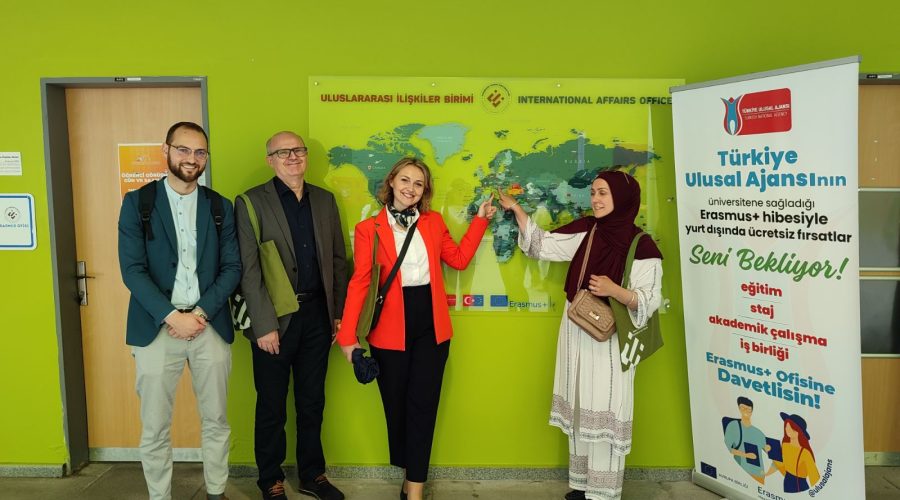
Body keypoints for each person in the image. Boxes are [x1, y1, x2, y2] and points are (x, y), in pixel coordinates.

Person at [336, 157, 497, 500]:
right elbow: (360, 283)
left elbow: (458, 260)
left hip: (430, 327)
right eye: (405, 180)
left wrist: (480, 221)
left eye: (419, 184)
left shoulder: (433, 222)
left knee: (423, 407)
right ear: (392, 182)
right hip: (388, 329)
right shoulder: (369, 229)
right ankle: (409, 473)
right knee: (396, 409)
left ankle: (415, 489)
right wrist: (348, 338)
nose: (411, 188)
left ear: (425, 191)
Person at [497, 170, 663, 500]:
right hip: (576, 327)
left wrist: (615, 290)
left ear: (622, 199)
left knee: (605, 408)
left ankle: (603, 492)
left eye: (603, 193)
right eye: (594, 192)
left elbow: (651, 298)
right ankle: (583, 485)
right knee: (580, 405)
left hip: (611, 339)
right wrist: (516, 209)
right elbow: (543, 245)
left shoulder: (642, 245)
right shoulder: (589, 229)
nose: (595, 199)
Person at [118, 121, 241, 500]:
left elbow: (232, 268)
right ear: (166, 150)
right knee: (155, 425)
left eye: (200, 152)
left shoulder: (219, 206)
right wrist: (172, 316)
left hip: (209, 326)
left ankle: (216, 492)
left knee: (216, 420)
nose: (192, 158)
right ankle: (160, 496)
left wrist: (199, 314)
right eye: (183, 149)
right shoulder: (138, 203)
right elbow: (132, 270)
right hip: (156, 328)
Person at [235, 131, 348, 500]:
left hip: (317, 316)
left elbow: (337, 259)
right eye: (283, 152)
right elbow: (249, 269)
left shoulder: (325, 200)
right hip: (275, 319)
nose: (293, 157)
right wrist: (263, 324)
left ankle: (312, 475)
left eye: (298, 150)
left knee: (312, 401)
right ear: (270, 160)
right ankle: (270, 478)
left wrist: (337, 313)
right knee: (271, 404)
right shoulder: (251, 202)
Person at [766, 413, 820, 493]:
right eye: (786, 426)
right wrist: (771, 452)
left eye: (791, 427)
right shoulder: (785, 445)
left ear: (798, 431)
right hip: (787, 481)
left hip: (799, 485)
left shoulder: (805, 453)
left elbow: (814, 476)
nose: (788, 429)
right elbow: (783, 465)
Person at [723, 396, 770, 484]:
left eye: (748, 409)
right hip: (741, 472)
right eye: (743, 408)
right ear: (739, 408)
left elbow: (769, 451)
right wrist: (745, 455)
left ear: (751, 411)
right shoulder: (733, 426)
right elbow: (728, 449)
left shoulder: (758, 432)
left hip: (759, 475)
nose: (745, 411)